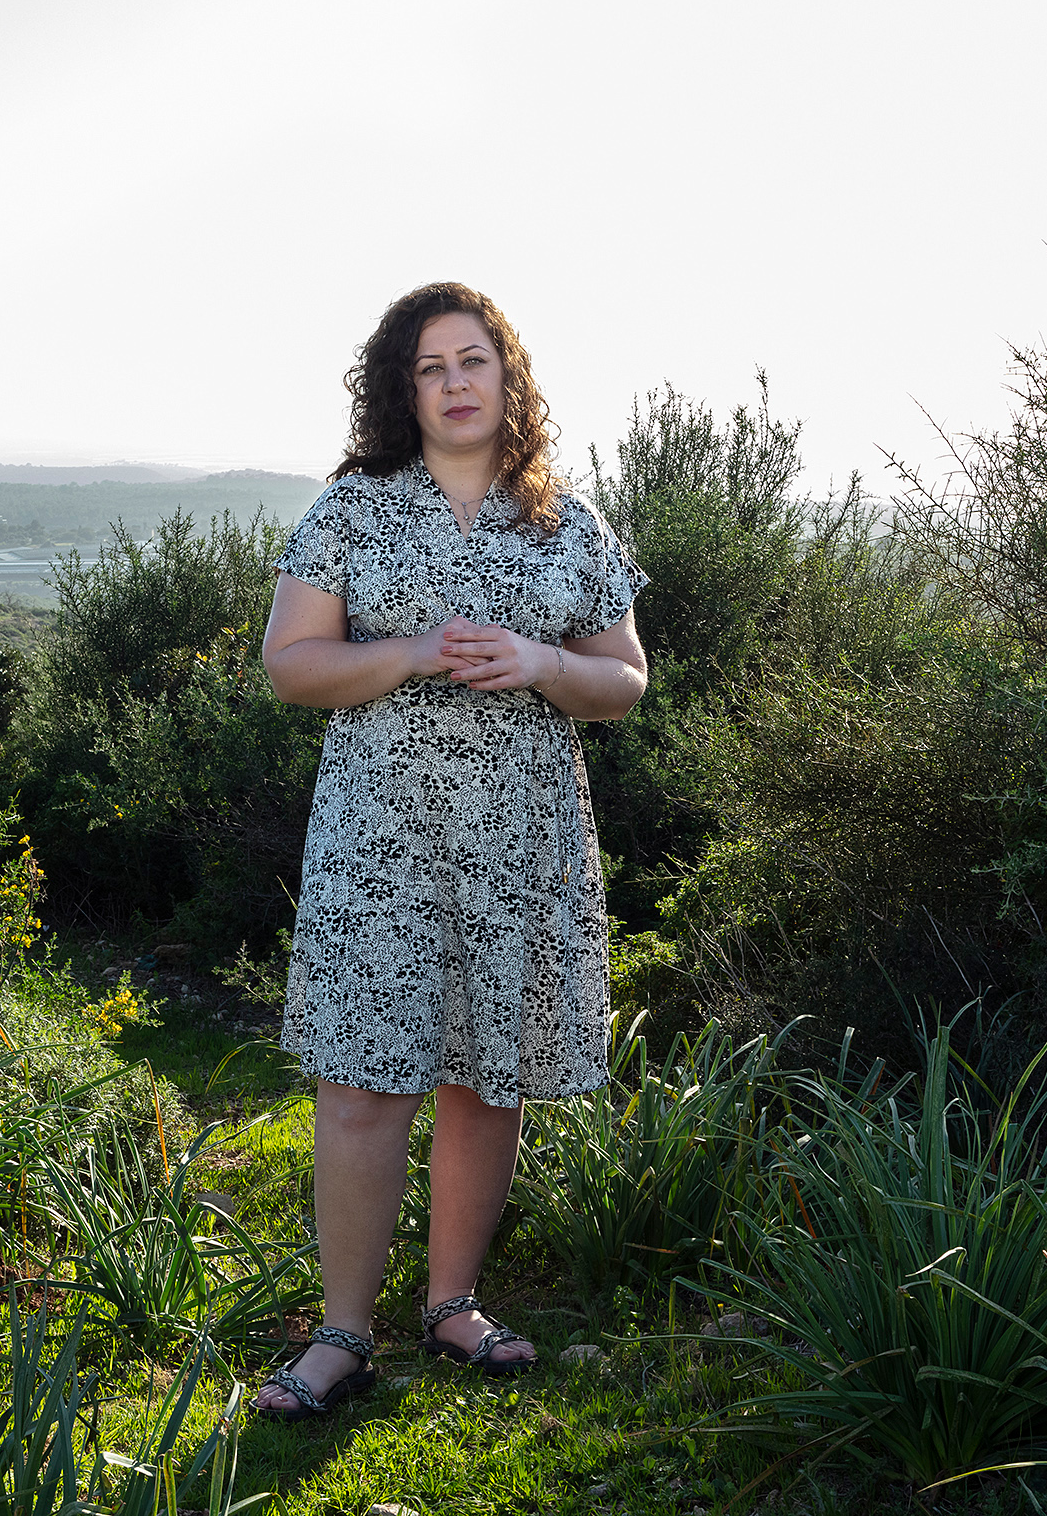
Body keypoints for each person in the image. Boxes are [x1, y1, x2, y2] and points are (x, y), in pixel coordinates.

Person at [249, 283, 648, 1421]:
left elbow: (624, 680)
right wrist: (419, 649)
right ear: (403, 391)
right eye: (431, 367)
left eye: (474, 360)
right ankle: (340, 1335)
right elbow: (292, 664)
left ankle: (452, 1304)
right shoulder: (351, 511)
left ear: (507, 377)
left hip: (521, 839)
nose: (457, 382)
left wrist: (542, 663)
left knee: (488, 1076)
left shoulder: (565, 522)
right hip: (379, 836)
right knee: (362, 1081)